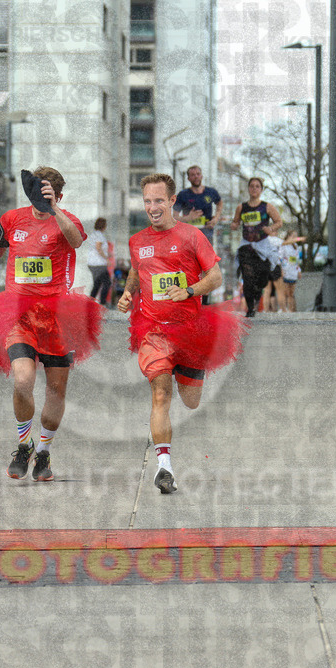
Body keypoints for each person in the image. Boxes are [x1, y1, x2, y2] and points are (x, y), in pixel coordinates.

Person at [118, 173, 249, 494]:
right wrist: (127, 293)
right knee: (161, 395)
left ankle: (181, 370)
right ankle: (164, 468)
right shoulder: (138, 241)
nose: (153, 207)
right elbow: (136, 271)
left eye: (159, 201)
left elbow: (215, 277)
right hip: (153, 332)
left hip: (190, 331)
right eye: (147, 201)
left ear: (172, 201)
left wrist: (189, 290)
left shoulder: (192, 236)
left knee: (190, 401)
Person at [0, 166, 103, 482]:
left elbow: (76, 241)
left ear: (59, 196)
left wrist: (54, 209)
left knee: (56, 392)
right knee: (22, 381)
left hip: (58, 317)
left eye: (47, 196)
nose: (39, 202)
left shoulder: (67, 220)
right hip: (19, 314)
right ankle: (24, 445)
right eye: (36, 194)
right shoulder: (11, 219)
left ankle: (43, 452)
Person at [230, 177, 282, 317]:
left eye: (257, 186)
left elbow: (279, 222)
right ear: (248, 189)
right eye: (252, 186)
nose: (254, 188)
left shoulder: (267, 206)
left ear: (261, 190)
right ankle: (250, 308)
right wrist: (234, 225)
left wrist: (270, 228)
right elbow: (235, 222)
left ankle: (257, 293)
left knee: (262, 277)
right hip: (247, 246)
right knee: (247, 276)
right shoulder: (241, 207)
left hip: (262, 246)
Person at [173, 165, 223, 248]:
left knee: (205, 256)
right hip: (189, 236)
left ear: (201, 176)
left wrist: (216, 218)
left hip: (206, 234)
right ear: (188, 178)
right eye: (193, 175)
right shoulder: (183, 195)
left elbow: (220, 203)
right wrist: (188, 218)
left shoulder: (210, 192)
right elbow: (174, 218)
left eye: (198, 174)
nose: (196, 176)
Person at [87, 217, 112, 306]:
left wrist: (107, 254)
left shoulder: (94, 234)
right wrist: (106, 258)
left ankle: (90, 302)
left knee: (97, 284)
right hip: (99, 263)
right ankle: (102, 303)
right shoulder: (99, 235)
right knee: (107, 282)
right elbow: (98, 248)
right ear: (104, 226)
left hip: (92, 263)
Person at [277, 232, 302, 312]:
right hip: (286, 270)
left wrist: (299, 271)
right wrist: (281, 270)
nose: (295, 238)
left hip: (293, 271)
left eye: (296, 236)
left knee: (291, 293)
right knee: (285, 292)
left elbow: (297, 260)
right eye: (293, 236)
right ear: (288, 236)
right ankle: (284, 309)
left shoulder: (296, 246)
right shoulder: (284, 245)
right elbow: (280, 258)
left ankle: (291, 310)